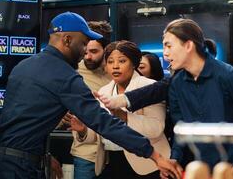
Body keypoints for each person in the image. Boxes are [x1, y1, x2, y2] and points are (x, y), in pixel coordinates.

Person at [0, 12, 182, 179]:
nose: (85, 51)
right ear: (67, 40)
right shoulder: (64, 76)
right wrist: (154, 155)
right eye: (84, 43)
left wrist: (44, 156)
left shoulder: (24, 66)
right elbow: (103, 122)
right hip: (20, 167)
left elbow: (24, 123)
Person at [97, 18, 233, 177]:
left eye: (168, 46)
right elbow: (180, 129)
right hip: (201, 169)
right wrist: (174, 159)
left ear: (188, 45)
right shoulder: (177, 83)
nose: (165, 54)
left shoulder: (228, 77)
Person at [70, 40, 171, 179]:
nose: (115, 66)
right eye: (110, 62)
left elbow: (156, 128)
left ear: (134, 63)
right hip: (111, 160)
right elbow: (100, 133)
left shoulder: (149, 87)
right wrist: (83, 130)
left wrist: (124, 116)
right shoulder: (104, 91)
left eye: (122, 61)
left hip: (146, 164)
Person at [69, 21, 112, 179]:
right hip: (87, 152)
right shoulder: (73, 71)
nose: (88, 57)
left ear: (106, 50)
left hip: (117, 151)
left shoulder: (117, 70)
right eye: (85, 51)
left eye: (94, 52)